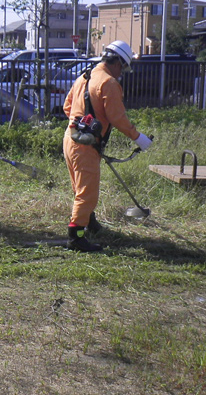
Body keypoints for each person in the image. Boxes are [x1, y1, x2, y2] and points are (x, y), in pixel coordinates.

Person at [62, 40, 152, 252]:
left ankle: (89, 222)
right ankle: (76, 237)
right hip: (85, 146)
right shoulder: (109, 83)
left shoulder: (84, 77)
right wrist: (138, 137)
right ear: (117, 62)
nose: (122, 73)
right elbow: (117, 118)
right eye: (123, 67)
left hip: (70, 138)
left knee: (80, 188)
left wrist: (83, 121)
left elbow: (67, 107)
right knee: (87, 192)